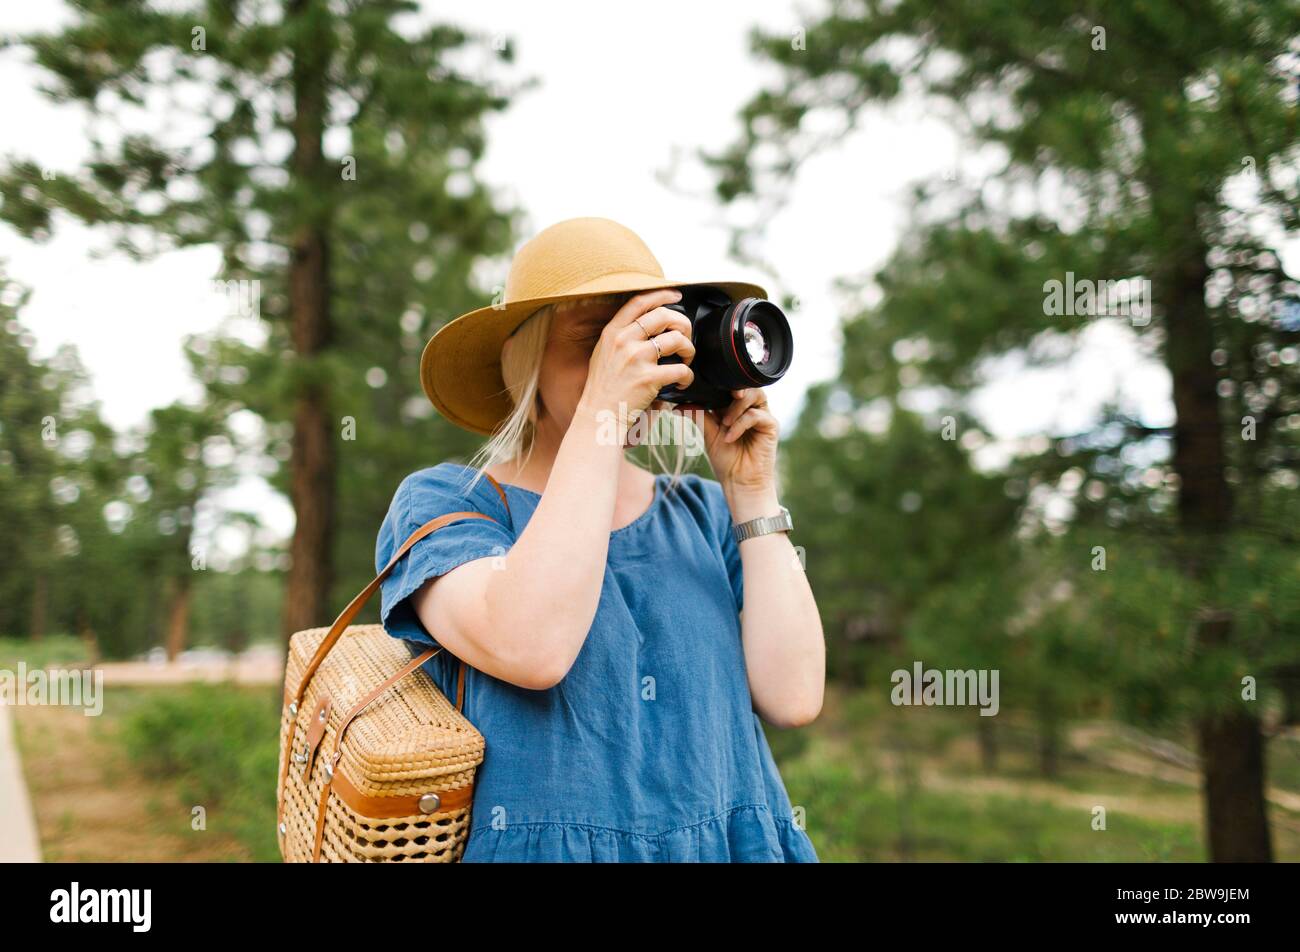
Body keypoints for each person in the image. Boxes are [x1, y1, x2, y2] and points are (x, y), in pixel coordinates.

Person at [376, 217, 824, 861]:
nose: (635, 362)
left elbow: (794, 696)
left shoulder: (699, 511)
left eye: (649, 337)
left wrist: (752, 492)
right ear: (525, 362)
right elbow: (533, 647)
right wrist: (603, 415)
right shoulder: (450, 502)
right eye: (601, 341)